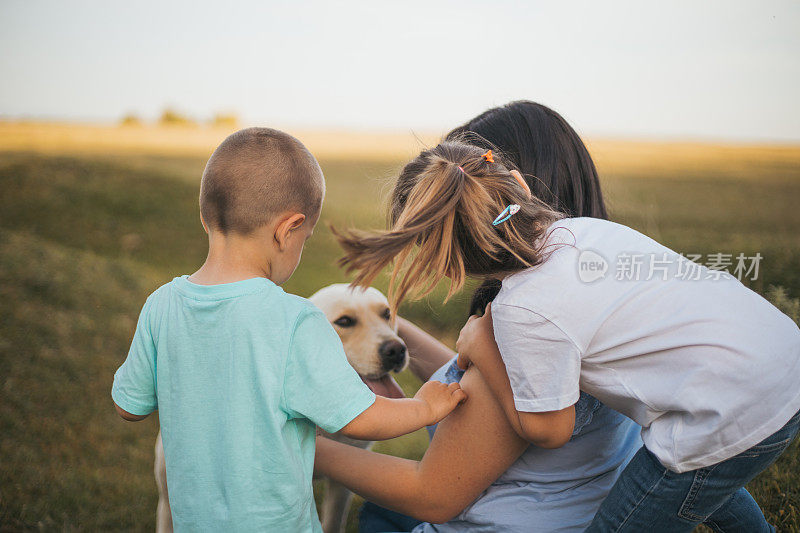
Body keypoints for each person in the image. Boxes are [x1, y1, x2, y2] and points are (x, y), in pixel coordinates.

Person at [331, 136, 800, 531]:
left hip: (724, 409)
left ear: (448, 262)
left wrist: (481, 348)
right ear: (516, 183)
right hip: (780, 364)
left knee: (672, 477)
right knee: (704, 474)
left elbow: (550, 429)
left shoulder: (525, 310)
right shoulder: (584, 233)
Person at [110, 127, 466, 532]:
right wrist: (425, 407)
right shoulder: (296, 319)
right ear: (287, 230)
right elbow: (358, 419)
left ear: (205, 217)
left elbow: (128, 405)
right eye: (306, 238)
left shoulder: (161, 304)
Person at [319, 102, 642, 533]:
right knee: (380, 513)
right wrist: (380, 325)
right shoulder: (596, 273)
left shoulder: (529, 322)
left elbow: (429, 494)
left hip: (498, 521)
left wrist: (307, 448)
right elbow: (479, 393)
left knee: (382, 514)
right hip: (573, 504)